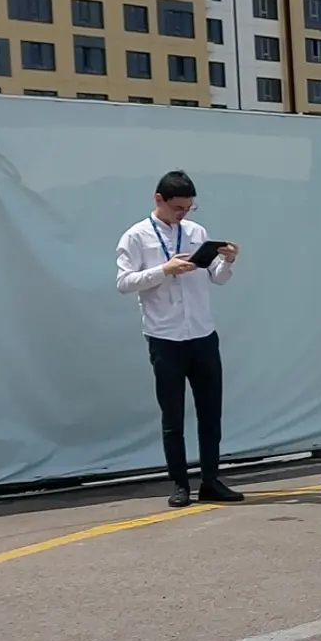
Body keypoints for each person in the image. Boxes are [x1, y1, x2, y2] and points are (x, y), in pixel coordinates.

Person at [115, 170, 244, 507]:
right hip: (165, 338)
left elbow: (217, 278)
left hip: (202, 334)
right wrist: (164, 270)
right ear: (159, 199)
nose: (183, 214)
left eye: (188, 208)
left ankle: (211, 480)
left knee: (210, 412)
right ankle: (179, 484)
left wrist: (227, 261)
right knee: (172, 416)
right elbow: (124, 282)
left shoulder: (196, 232)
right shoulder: (137, 236)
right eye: (178, 208)